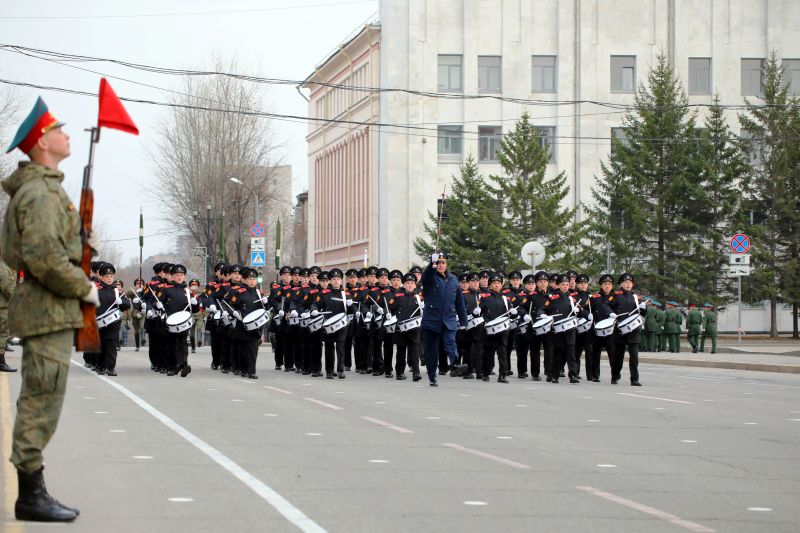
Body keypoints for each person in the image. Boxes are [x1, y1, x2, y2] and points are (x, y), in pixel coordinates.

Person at [1, 97, 94, 522]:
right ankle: (30, 495)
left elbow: (16, 251)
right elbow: (40, 255)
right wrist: (83, 287)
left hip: (49, 309)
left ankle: (32, 490)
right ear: (42, 141)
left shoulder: (43, 190)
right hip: (48, 310)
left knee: (43, 396)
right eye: (60, 129)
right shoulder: (39, 193)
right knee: (41, 398)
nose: (68, 135)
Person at [421, 252, 468, 386]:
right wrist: (431, 264)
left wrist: (464, 322)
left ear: (446, 264)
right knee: (432, 351)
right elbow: (426, 276)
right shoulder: (431, 277)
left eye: (443, 263)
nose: (441, 265)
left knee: (450, 342)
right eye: (439, 263)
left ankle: (454, 365)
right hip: (432, 320)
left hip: (449, 319)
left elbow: (459, 303)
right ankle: (432, 377)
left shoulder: (453, 280)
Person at [606, 272, 646, 386]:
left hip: (634, 330)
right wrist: (610, 313)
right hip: (620, 330)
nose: (628, 284)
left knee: (634, 356)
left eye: (630, 282)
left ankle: (634, 379)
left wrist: (644, 308)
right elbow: (606, 305)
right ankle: (615, 376)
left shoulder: (636, 297)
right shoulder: (616, 295)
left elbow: (642, 313)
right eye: (626, 282)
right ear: (621, 284)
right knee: (618, 356)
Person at [95, 264, 130, 376]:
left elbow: (127, 304)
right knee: (101, 345)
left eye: (111, 276)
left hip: (114, 323)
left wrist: (122, 302)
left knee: (111, 345)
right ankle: (100, 366)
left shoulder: (117, 291)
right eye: (107, 276)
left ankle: (110, 368)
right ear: (102, 278)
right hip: (98, 322)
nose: (109, 278)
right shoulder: (96, 289)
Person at [387, 272, 424, 381]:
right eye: (407, 283)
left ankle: (416, 373)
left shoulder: (419, 297)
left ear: (415, 285)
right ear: (404, 284)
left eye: (412, 283)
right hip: (401, 328)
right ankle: (399, 372)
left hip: (415, 328)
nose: (410, 285)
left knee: (415, 350)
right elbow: (390, 307)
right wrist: (388, 313)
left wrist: (423, 306)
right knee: (401, 351)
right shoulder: (398, 296)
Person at [0, 257, 18, 372]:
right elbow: (7, 287)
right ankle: (1, 362)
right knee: (2, 334)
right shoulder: (3, 266)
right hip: (2, 307)